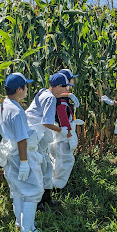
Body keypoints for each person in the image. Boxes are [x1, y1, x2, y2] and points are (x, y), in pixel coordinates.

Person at [0, 72, 43, 232]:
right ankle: (28, 230)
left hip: (9, 154)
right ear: (19, 89)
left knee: (18, 190)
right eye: (26, 86)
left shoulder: (5, 104)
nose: (27, 89)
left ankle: (19, 224)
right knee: (33, 191)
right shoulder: (16, 111)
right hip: (18, 155)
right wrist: (25, 163)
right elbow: (21, 139)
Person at [25, 72, 72, 210]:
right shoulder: (51, 98)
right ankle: (38, 203)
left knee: (46, 166)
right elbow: (46, 122)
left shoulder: (43, 92)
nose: (65, 91)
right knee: (38, 168)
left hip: (35, 135)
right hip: (35, 136)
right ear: (57, 86)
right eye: (64, 87)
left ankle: (46, 199)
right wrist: (61, 130)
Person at [49, 69, 84, 190]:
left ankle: (55, 184)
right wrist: (70, 136)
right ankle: (58, 187)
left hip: (59, 136)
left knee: (58, 161)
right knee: (63, 162)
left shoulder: (60, 97)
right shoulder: (61, 101)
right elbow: (63, 120)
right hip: (62, 137)